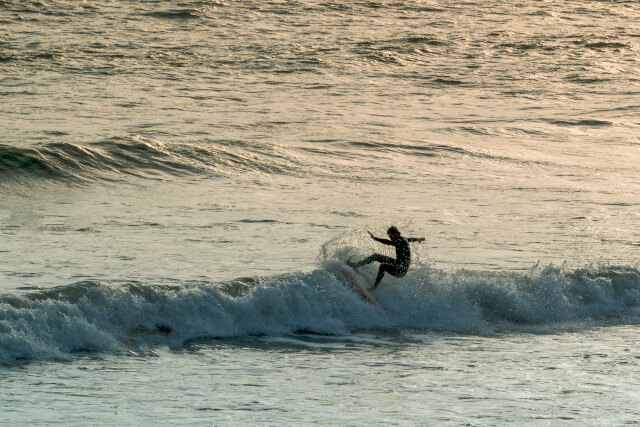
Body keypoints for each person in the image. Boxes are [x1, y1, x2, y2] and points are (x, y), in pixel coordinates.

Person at [347, 226, 425, 290]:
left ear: (397, 234)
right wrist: (417, 239)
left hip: (401, 270)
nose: (390, 238)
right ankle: (357, 265)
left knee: (383, 266)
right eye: (389, 236)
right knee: (376, 256)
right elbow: (411, 239)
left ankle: (374, 287)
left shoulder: (400, 241)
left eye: (391, 236)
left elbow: (388, 242)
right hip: (398, 264)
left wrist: (375, 238)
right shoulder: (404, 239)